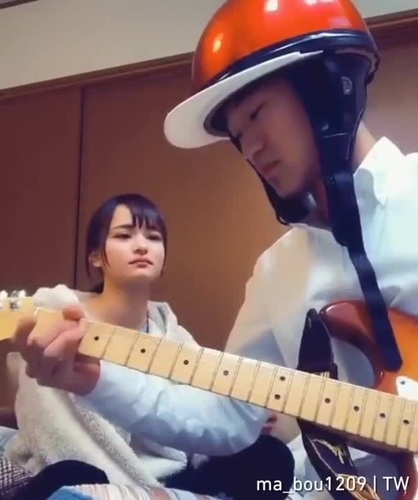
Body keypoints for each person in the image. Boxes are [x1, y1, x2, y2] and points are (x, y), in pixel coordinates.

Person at [162, 1, 417, 499]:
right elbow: (227, 411)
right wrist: (97, 377)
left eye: (257, 113)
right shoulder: (275, 273)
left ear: (327, 88)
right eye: (238, 136)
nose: (250, 149)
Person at [7, 193, 292, 499]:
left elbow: (205, 407)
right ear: (95, 256)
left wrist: (241, 418)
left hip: (171, 475)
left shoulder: (169, 329)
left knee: (270, 457)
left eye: (153, 237)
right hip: (91, 466)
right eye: (124, 235)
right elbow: (48, 420)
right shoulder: (57, 317)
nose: (141, 245)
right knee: (70, 475)